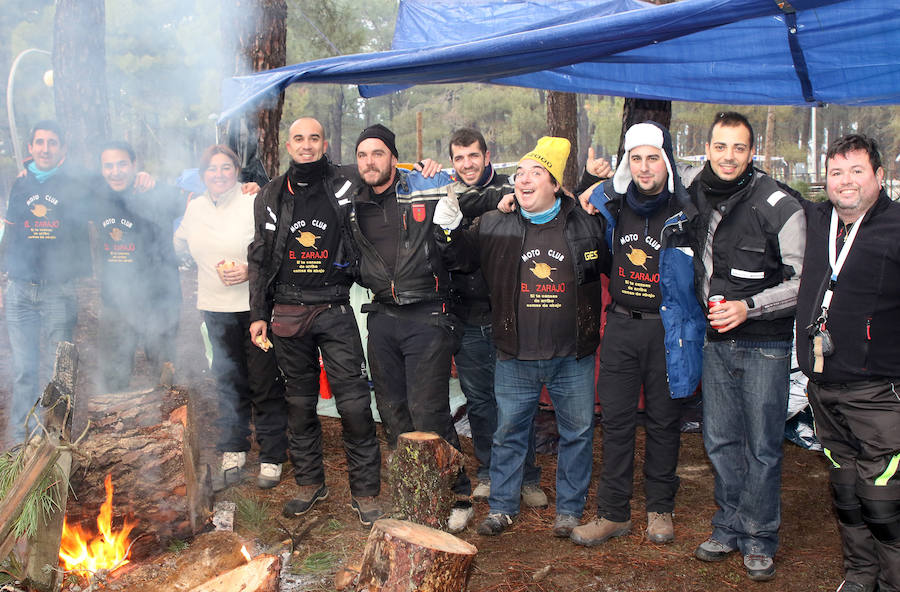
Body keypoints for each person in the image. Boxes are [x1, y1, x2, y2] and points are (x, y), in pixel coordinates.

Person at [434, 136, 610, 538]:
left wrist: (602, 194)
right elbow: (458, 258)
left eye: (536, 173)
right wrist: (447, 230)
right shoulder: (496, 224)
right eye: (521, 174)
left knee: (578, 434)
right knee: (508, 431)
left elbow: (613, 260)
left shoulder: (585, 222)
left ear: (555, 185)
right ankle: (502, 507)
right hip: (515, 353)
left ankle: (568, 509)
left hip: (573, 355)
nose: (525, 181)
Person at [569, 122, 704, 547]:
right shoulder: (612, 204)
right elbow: (568, 211)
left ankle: (660, 508)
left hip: (669, 332)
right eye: (636, 159)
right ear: (627, 163)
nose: (644, 168)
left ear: (665, 161)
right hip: (623, 326)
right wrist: (590, 182)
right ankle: (613, 512)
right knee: (617, 421)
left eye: (652, 158)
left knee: (665, 422)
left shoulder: (688, 212)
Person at [247, 118, 383, 525]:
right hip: (287, 311)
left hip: (334, 306)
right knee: (299, 404)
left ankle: (366, 492)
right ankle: (310, 483)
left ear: (325, 143)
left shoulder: (346, 181)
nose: (306, 146)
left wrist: (427, 169)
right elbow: (259, 255)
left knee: (356, 404)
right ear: (288, 145)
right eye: (299, 139)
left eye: (314, 138)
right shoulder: (270, 193)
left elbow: (385, 173)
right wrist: (258, 314)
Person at [690, 112, 805, 582]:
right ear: (708, 149)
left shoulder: (780, 203)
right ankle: (729, 525)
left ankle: (759, 536)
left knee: (761, 445)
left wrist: (750, 307)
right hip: (715, 342)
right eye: (721, 147)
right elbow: (642, 186)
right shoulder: (696, 194)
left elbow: (803, 283)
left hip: (765, 344)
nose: (729, 156)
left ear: (752, 152)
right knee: (718, 440)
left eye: (739, 148)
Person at [347, 124, 474, 531]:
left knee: (428, 409)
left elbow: (473, 189)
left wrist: (445, 176)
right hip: (383, 315)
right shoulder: (350, 201)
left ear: (392, 157)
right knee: (392, 410)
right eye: (363, 154)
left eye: (378, 153)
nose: (370, 161)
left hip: (429, 312)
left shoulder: (424, 184)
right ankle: (416, 493)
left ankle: (459, 493)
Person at [795, 134, 900, 592]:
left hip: (877, 390)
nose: (847, 181)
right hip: (823, 386)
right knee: (846, 491)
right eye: (837, 172)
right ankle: (860, 575)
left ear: (879, 176)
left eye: (858, 170)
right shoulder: (817, 219)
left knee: (883, 499)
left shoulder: (896, 227)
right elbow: (739, 187)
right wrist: (600, 189)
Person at [174, 145, 288, 489]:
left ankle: (271, 454)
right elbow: (180, 244)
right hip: (214, 308)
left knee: (263, 381)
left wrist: (249, 271)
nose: (219, 174)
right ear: (202, 174)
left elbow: (273, 250)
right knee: (227, 381)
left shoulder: (252, 201)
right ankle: (234, 448)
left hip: (254, 309)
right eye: (212, 169)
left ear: (236, 171)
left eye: (226, 168)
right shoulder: (194, 208)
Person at [446, 127, 547, 511]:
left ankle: (527, 476)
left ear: (486, 156)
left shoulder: (513, 189)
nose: (467, 163)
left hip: (510, 314)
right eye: (459, 157)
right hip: (468, 316)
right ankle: (489, 471)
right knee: (481, 402)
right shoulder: (451, 197)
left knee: (518, 400)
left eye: (473, 155)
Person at [0, 121, 91, 443]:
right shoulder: (20, 185)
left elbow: (109, 188)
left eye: (53, 143)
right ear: (30, 148)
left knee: (59, 373)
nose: (45, 148)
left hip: (58, 291)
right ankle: (18, 442)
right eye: (39, 142)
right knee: (25, 371)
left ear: (62, 150)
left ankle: (55, 440)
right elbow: (9, 234)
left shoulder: (74, 184)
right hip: (20, 289)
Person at [94, 141, 182, 392]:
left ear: (135, 165)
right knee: (114, 376)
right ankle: (113, 425)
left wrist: (247, 188)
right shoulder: (97, 196)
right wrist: (29, 169)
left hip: (160, 300)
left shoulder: (157, 193)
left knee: (164, 375)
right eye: (108, 166)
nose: (116, 171)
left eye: (122, 164)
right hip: (116, 304)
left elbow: (200, 198)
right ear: (102, 169)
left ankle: (169, 425)